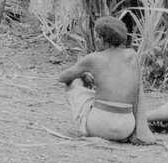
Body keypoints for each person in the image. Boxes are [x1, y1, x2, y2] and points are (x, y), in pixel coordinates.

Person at [56, 16, 155, 144]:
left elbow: (63, 77)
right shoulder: (132, 55)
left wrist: (83, 74)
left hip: (99, 125)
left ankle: (83, 129)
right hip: (126, 127)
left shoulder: (93, 58)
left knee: (73, 82)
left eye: (96, 37)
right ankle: (121, 135)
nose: (95, 41)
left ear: (102, 40)